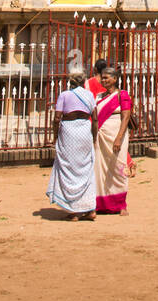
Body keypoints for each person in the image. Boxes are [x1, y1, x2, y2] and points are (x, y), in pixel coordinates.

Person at [47, 71, 99, 220]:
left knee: (69, 169)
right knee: (86, 169)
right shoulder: (89, 95)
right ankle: (90, 209)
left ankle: (74, 211)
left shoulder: (64, 95)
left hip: (69, 132)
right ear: (84, 82)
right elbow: (94, 119)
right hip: (84, 131)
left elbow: (57, 118)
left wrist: (55, 136)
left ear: (70, 83)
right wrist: (94, 137)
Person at [93, 65, 133, 214]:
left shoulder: (122, 95)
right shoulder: (98, 96)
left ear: (115, 79)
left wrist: (119, 138)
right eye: (102, 78)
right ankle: (101, 203)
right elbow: (95, 118)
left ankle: (121, 204)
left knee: (118, 167)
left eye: (106, 77)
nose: (103, 80)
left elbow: (126, 116)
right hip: (101, 136)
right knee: (100, 169)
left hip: (116, 135)